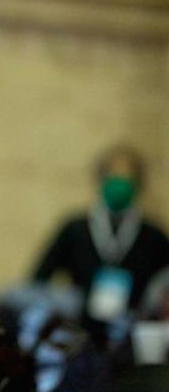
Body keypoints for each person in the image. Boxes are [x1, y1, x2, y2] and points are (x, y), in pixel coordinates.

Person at [31, 143, 169, 345]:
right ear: (100, 180)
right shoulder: (75, 229)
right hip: (79, 333)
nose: (119, 184)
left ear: (139, 184)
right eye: (113, 177)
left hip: (132, 337)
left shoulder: (153, 236)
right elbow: (38, 281)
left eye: (127, 178)